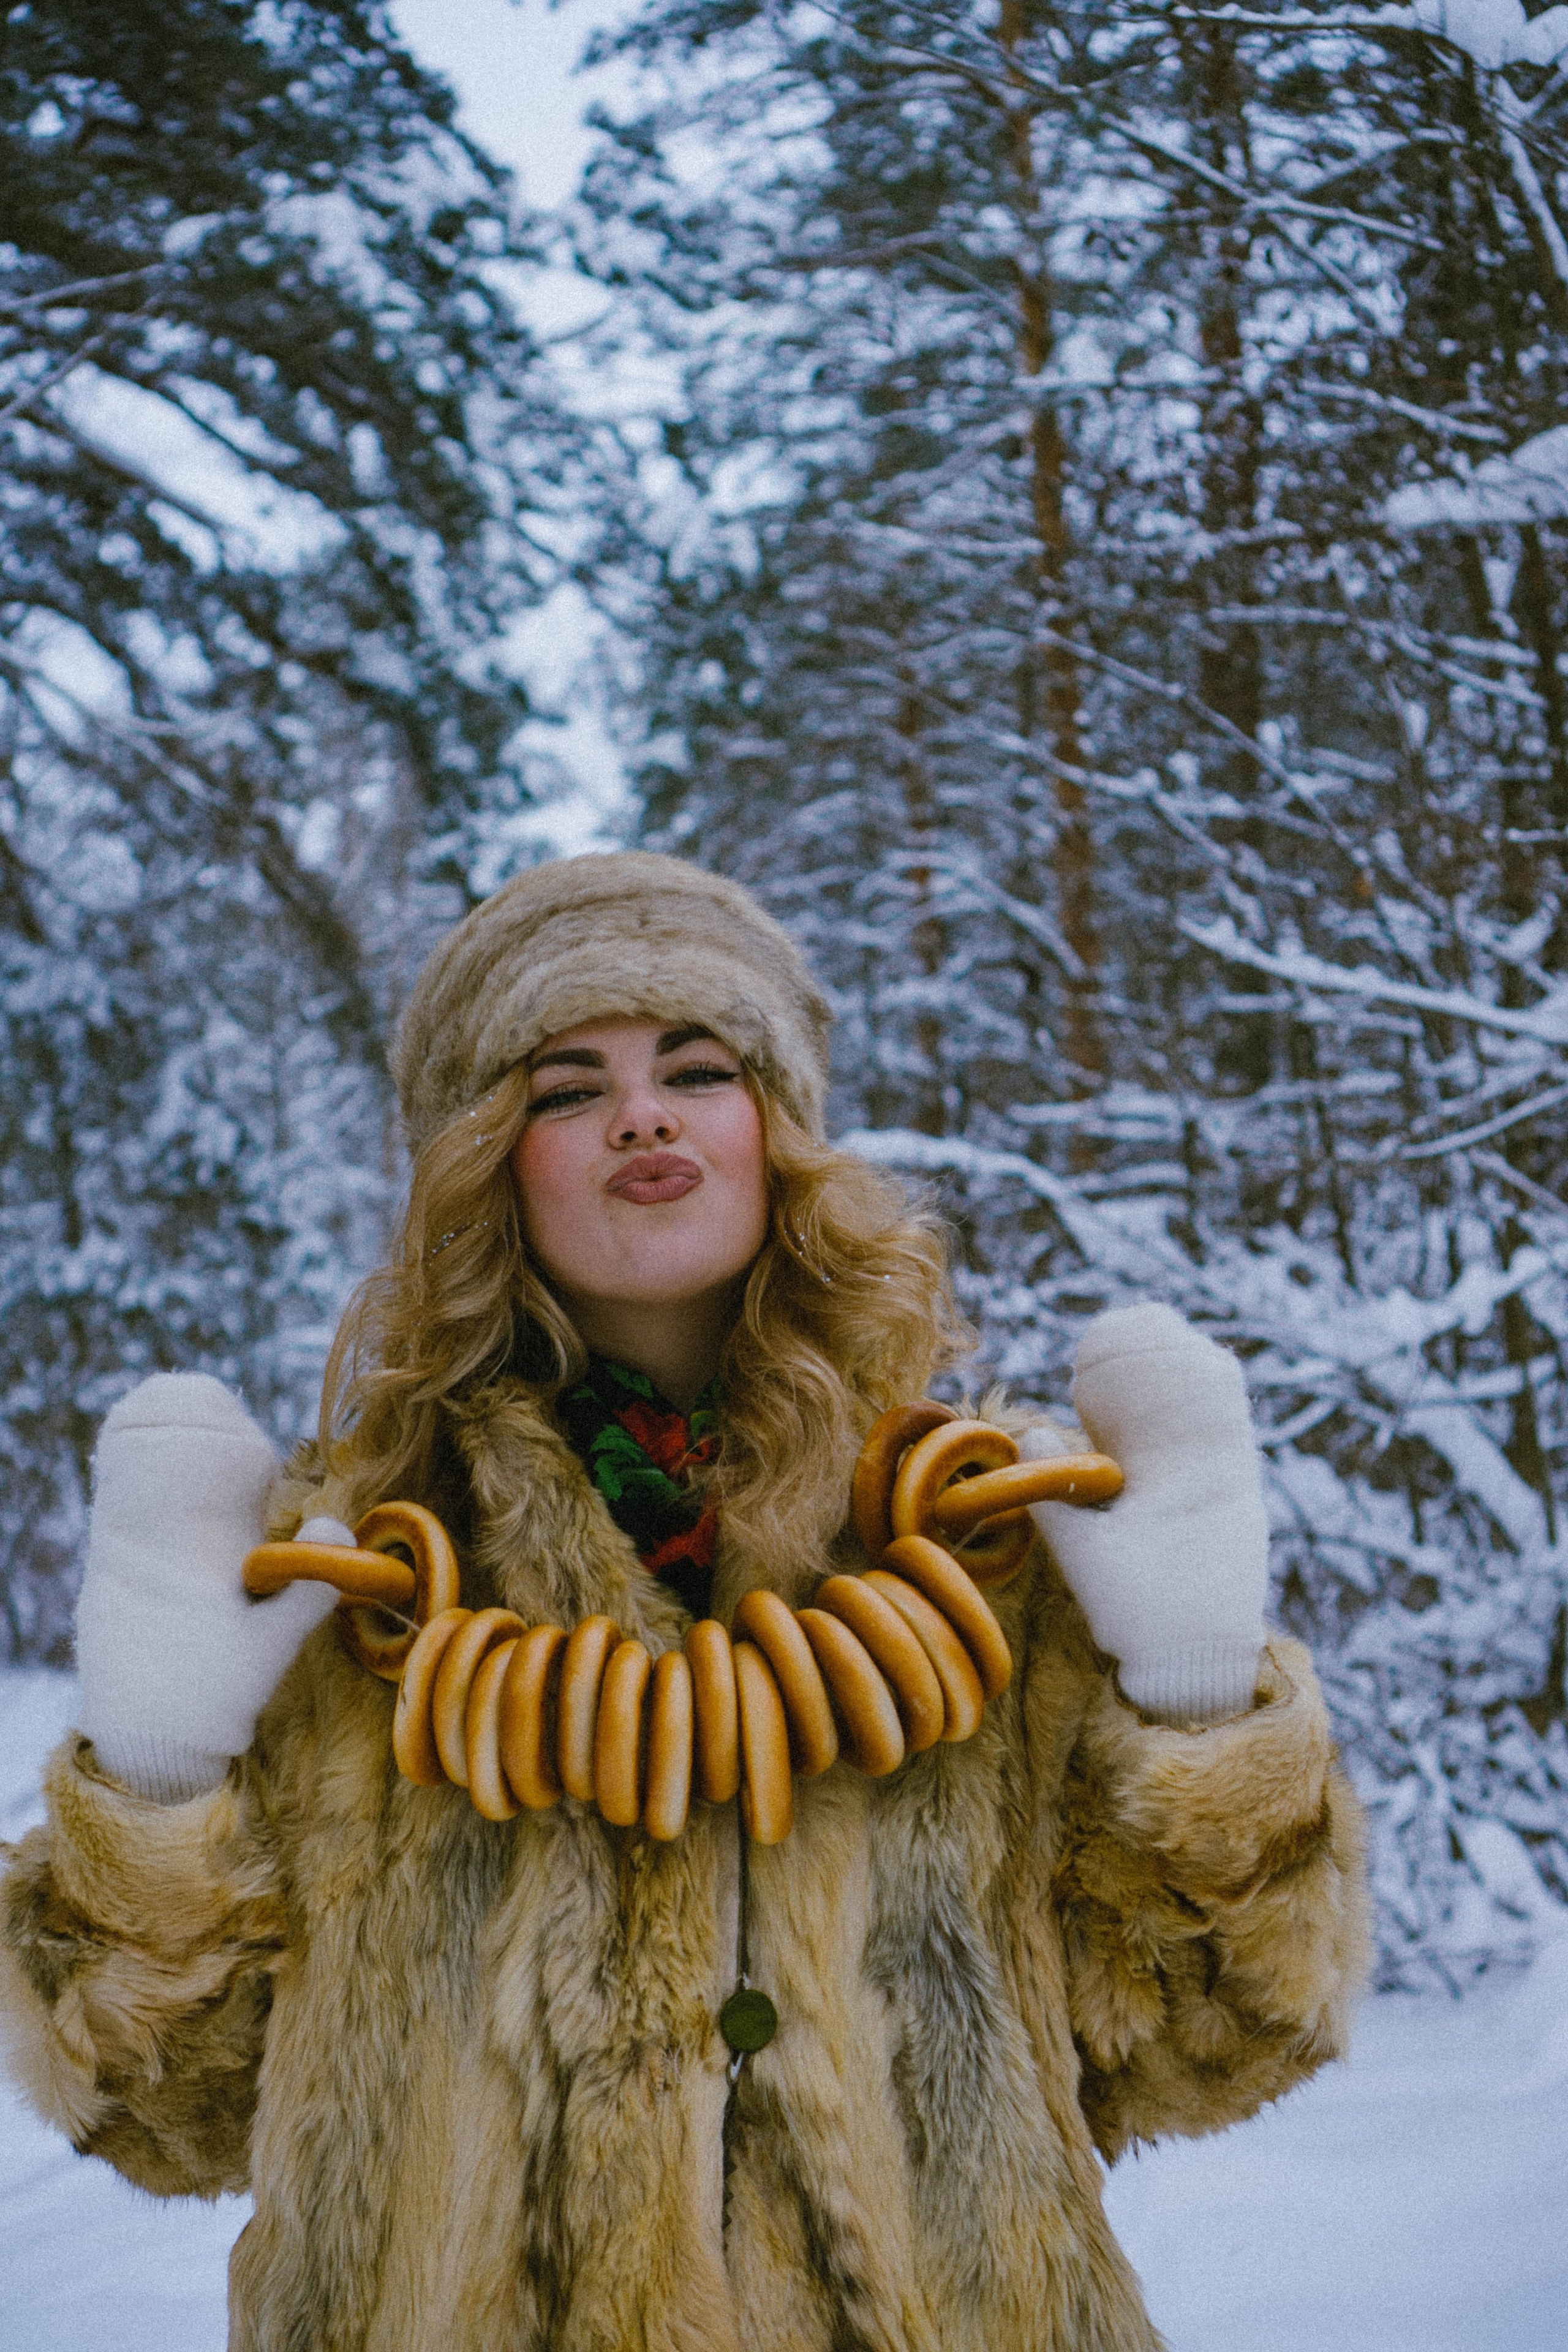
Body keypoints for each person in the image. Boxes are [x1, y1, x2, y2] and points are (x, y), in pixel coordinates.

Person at [0, 851, 1368, 2352]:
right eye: (567, 1088)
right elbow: (167, 2117)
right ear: (483, 1160)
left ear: (773, 1128)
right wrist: (155, 1781)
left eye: (697, 1070)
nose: (641, 1115)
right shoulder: (339, 1591)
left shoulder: (989, 1549)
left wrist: (1196, 1701)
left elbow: (1208, 2045)